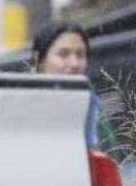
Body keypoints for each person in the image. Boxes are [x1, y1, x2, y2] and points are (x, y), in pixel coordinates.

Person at [32, 21, 114, 151]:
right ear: (39, 60)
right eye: (63, 54)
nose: (75, 64)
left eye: (80, 55)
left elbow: (111, 162)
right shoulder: (22, 104)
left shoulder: (94, 110)